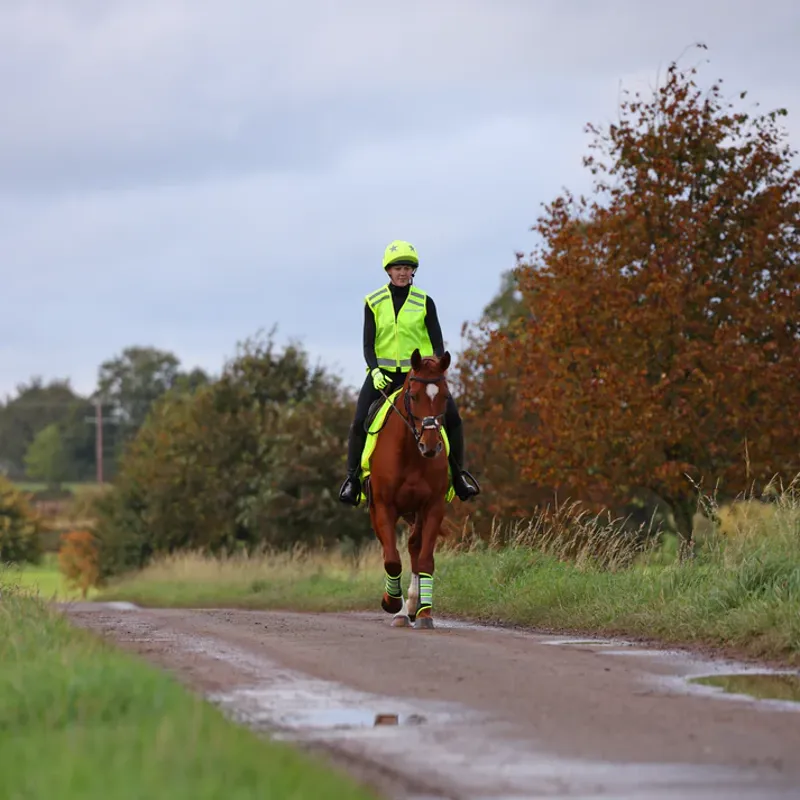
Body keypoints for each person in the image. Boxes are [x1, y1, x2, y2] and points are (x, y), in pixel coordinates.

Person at [338, 239, 481, 506]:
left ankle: (459, 476)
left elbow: (437, 343)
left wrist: (435, 369)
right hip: (383, 376)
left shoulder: (425, 301)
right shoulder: (373, 302)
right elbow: (368, 344)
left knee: (453, 418)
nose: (403, 273)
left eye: (407, 268)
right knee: (359, 422)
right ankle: (352, 480)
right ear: (388, 271)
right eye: (398, 268)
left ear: (413, 271)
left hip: (418, 376)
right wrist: (374, 370)